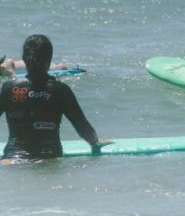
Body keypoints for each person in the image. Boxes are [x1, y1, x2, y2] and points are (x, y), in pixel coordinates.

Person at [0, 35, 110, 163]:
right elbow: (81, 125)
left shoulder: (8, 88)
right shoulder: (61, 90)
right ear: (49, 59)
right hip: (48, 160)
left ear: (24, 59)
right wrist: (95, 142)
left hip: (12, 160)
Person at [0, 56, 71, 79]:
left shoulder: (5, 66)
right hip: (31, 65)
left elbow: (14, 81)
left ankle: (63, 64)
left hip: (37, 65)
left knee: (60, 67)